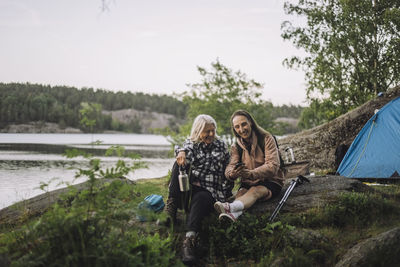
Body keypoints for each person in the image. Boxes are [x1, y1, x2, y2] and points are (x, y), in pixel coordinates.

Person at [164, 114, 233, 265]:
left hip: (208, 193)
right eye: (206, 131)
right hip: (188, 191)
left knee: (201, 197)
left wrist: (228, 190)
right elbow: (183, 147)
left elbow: (228, 170)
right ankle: (171, 208)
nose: (210, 134)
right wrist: (180, 152)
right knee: (179, 164)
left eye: (212, 131)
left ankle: (188, 242)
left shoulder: (221, 145)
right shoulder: (192, 143)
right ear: (198, 131)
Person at [214, 110, 284, 222]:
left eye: (244, 124)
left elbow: (273, 166)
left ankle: (229, 208)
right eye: (237, 127)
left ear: (250, 122)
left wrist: (251, 173)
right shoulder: (236, 146)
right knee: (241, 193)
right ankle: (233, 216)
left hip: (270, 181)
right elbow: (230, 166)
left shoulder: (266, 138)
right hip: (248, 181)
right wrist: (232, 174)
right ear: (234, 129)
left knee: (254, 190)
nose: (241, 129)